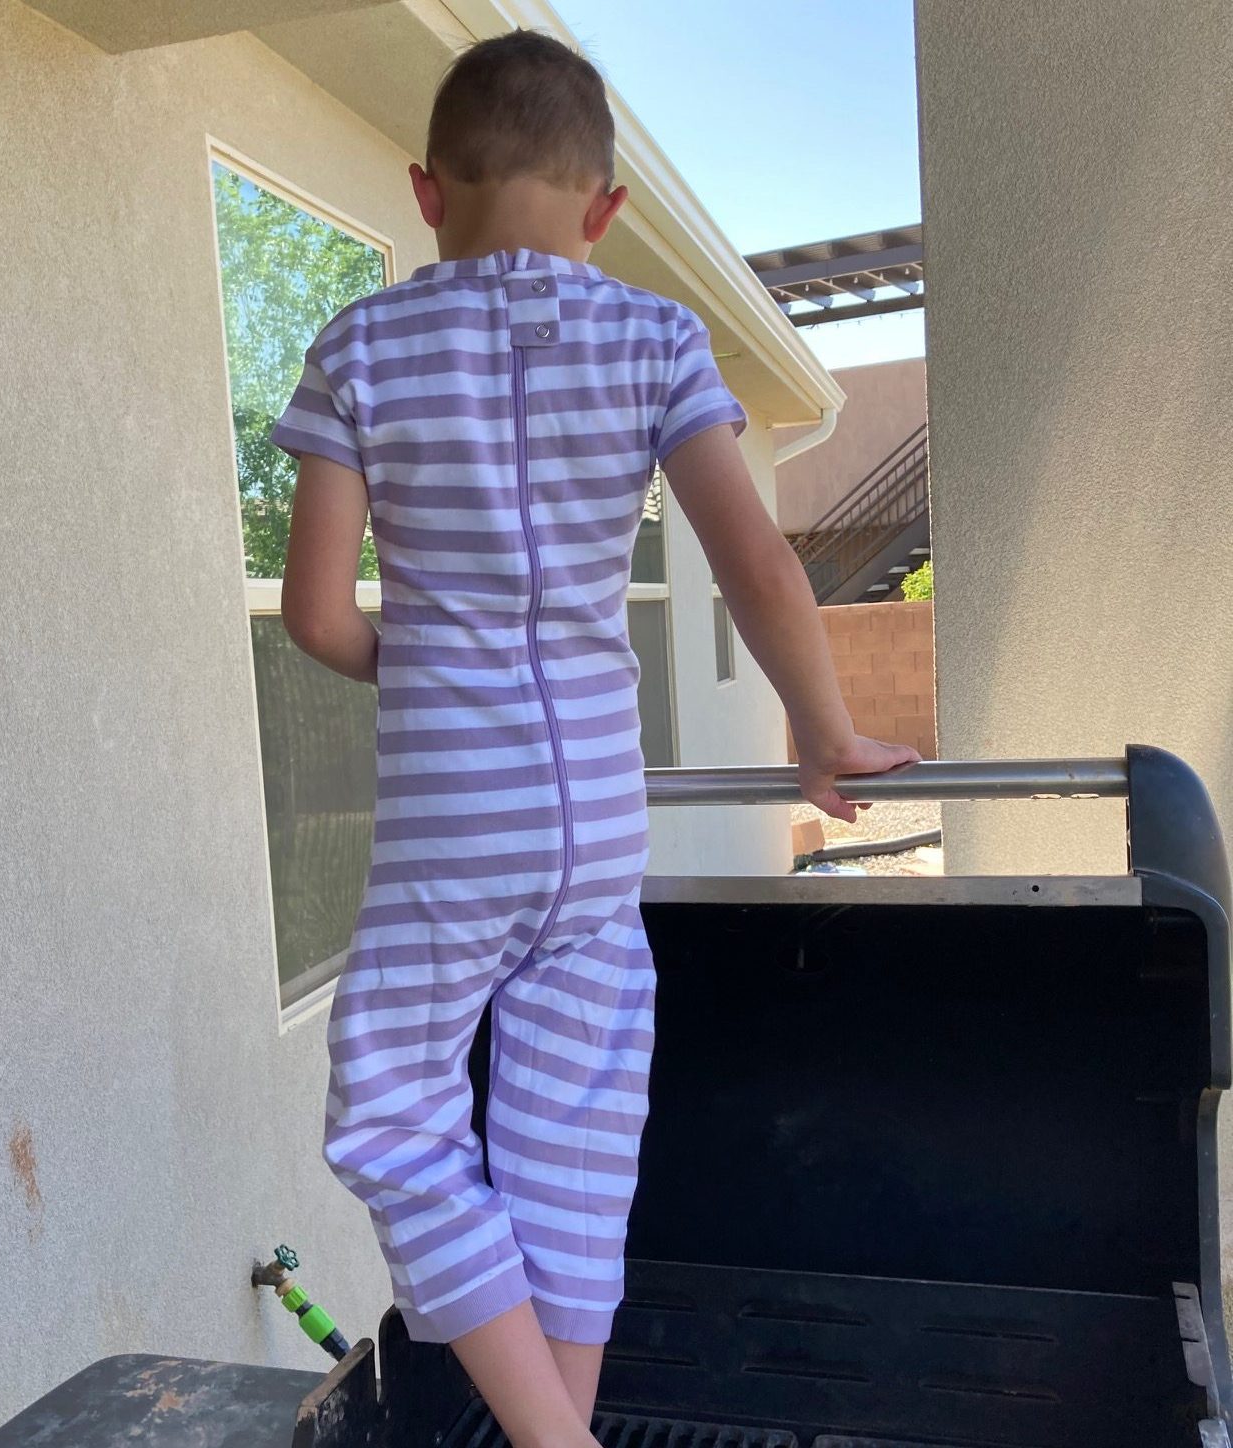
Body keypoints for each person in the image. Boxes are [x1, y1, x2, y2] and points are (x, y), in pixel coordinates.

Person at [269, 28, 919, 1448]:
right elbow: (756, 562)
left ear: (427, 191)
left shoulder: (361, 346)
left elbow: (316, 615)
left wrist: (426, 670)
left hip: (457, 826)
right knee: (569, 1135)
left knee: (390, 1110)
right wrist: (826, 735)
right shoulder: (657, 338)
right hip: (597, 826)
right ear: (606, 209)